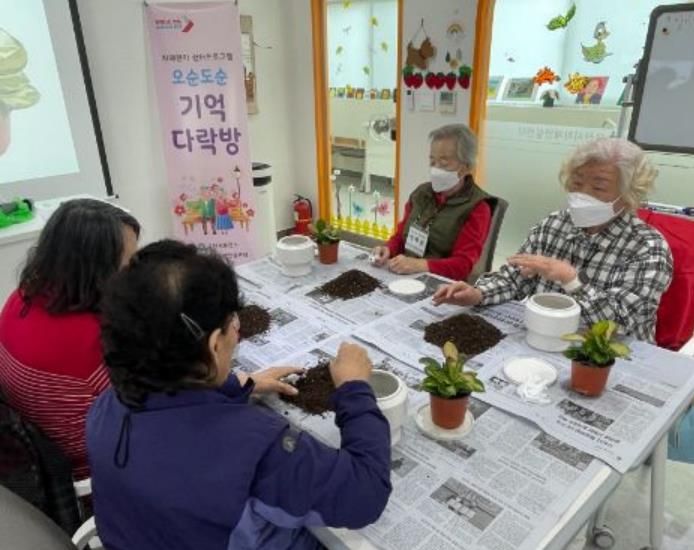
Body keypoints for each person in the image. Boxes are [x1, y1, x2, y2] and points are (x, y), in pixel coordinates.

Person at [87, 240, 391, 550]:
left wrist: (233, 385)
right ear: (214, 344)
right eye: (233, 323)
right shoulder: (257, 449)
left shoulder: (106, 406)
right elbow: (366, 494)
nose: (237, 331)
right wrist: (354, 387)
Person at [433, 138, 673, 342]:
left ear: (629, 194)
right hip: (547, 338)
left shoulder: (648, 248)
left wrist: (571, 280)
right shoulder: (554, 224)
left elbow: (620, 323)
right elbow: (515, 278)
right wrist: (478, 293)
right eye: (577, 183)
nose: (583, 194)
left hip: (609, 353)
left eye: (598, 188)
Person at [0, 199, 140, 479]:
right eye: (128, 265)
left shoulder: (21, 298)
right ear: (97, 269)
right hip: (97, 470)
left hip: (41, 459)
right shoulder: (93, 342)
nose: (135, 275)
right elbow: (144, 406)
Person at [371, 124, 493, 281]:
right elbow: (401, 237)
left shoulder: (478, 208)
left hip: (441, 286)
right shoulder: (421, 194)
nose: (436, 169)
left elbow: (462, 266)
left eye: (444, 162)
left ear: (466, 167)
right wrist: (388, 249)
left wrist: (420, 265)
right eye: (432, 161)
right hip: (404, 277)